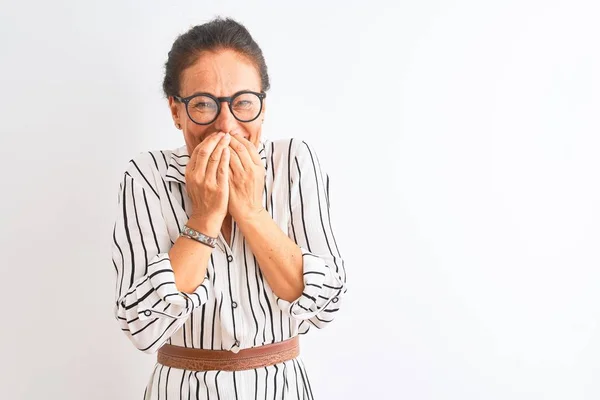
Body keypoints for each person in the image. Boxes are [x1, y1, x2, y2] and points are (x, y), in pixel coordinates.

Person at [111, 17, 347, 399]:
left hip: (281, 389)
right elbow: (141, 326)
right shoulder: (145, 175)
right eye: (204, 104)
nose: (227, 124)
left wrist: (251, 212)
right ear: (176, 110)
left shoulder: (295, 163)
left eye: (242, 103)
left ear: (262, 106)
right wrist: (204, 218)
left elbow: (324, 306)